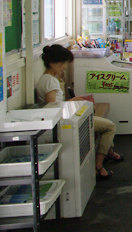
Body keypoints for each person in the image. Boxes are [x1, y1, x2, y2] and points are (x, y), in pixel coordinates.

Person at [36, 45, 122, 180]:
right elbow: (52, 108)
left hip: (66, 118)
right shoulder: (50, 81)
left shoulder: (48, 79)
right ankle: (98, 166)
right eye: (62, 64)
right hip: (64, 123)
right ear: (53, 63)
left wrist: (72, 100)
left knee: (99, 120)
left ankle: (108, 151)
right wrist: (71, 102)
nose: (64, 67)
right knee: (110, 126)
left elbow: (55, 105)